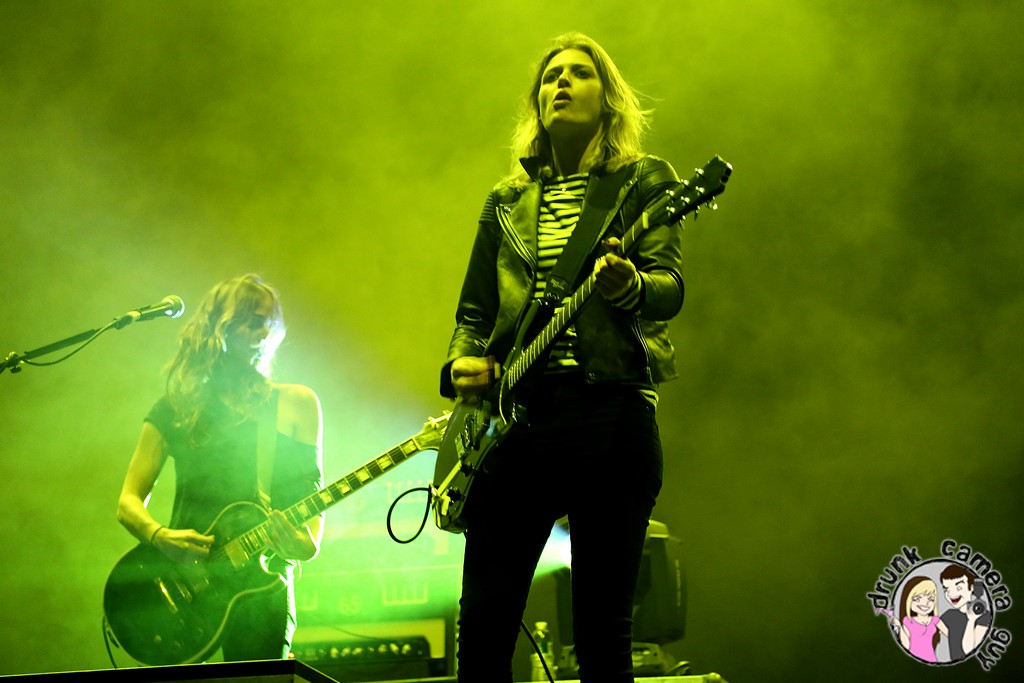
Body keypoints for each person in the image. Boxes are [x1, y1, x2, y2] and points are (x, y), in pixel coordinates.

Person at [440, 32, 686, 682]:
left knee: (602, 634)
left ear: (609, 99)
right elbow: (474, 313)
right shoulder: (505, 200)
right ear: (537, 101)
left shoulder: (644, 181)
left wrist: (630, 286)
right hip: (517, 425)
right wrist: (461, 367)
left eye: (580, 73)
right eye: (551, 76)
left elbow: (669, 286)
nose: (562, 83)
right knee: (483, 630)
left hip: (610, 414)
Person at [116, 273, 324, 661]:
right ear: (219, 326)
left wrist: (307, 544)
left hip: (261, 587)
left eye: (269, 322)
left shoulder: (296, 403)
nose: (263, 331)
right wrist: (159, 536)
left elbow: (309, 491)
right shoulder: (176, 407)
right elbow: (128, 501)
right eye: (251, 320)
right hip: (182, 582)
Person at [889, 576, 948, 662]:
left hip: (932, 659)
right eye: (917, 599)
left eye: (931, 599)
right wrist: (899, 626)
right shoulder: (908, 621)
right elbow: (906, 645)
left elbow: (951, 635)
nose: (925, 603)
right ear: (908, 600)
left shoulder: (935, 620)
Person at [939, 564, 992, 661]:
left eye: (958, 588)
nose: (951, 594)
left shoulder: (984, 616)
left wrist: (971, 620)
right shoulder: (949, 615)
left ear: (971, 587)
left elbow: (969, 650)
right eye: (946, 589)